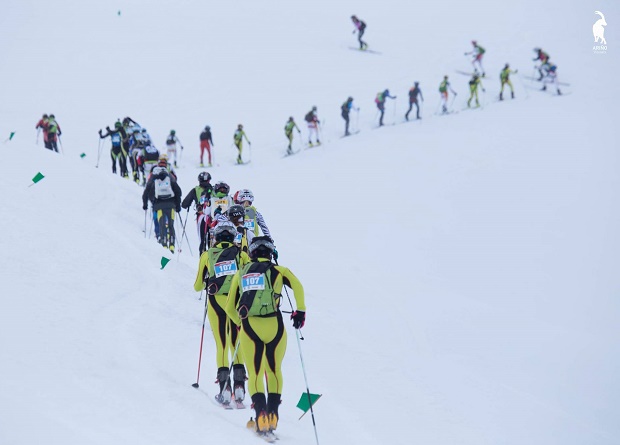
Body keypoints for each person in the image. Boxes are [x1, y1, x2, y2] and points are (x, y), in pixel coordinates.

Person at [224, 236, 306, 434]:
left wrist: (239, 323)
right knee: (274, 370)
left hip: (250, 325)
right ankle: (273, 414)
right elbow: (298, 286)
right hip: (275, 326)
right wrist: (300, 311)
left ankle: (260, 415)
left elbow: (229, 307)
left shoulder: (241, 273)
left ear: (252, 253)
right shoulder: (279, 271)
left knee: (255, 373)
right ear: (271, 253)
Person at [194, 221, 251, 407]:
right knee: (237, 343)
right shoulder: (241, 255)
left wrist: (208, 280)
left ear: (216, 238)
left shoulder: (207, 255)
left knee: (222, 345)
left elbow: (197, 286)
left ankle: (224, 390)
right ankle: (240, 387)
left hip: (216, 302)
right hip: (235, 302)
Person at [142, 165, 182, 252]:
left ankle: (164, 244)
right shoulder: (169, 177)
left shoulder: (153, 179)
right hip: (171, 205)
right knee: (171, 224)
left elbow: (146, 193)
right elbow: (178, 191)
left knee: (162, 224)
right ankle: (172, 245)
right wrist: (178, 205)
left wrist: (145, 205)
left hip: (158, 206)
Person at [181, 172, 214, 254]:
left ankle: (202, 257)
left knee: (202, 239)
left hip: (201, 216)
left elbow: (184, 204)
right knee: (212, 238)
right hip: (213, 217)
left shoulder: (195, 190)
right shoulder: (213, 190)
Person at [208, 181, 236, 246]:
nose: (222, 190)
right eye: (221, 189)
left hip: (217, 223)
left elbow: (207, 212)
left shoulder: (229, 198)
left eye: (224, 189)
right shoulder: (212, 199)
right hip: (226, 223)